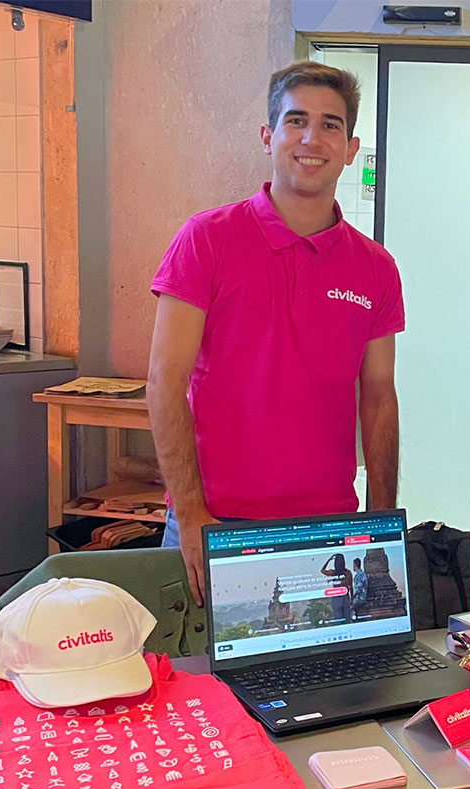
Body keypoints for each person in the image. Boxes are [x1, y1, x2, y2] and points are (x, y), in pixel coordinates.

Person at [148, 62, 404, 609]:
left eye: (331, 125)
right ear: (269, 136)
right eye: (297, 121)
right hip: (217, 524)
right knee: (202, 692)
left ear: (351, 147)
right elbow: (165, 381)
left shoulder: (376, 268)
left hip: (327, 530)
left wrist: (383, 516)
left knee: (323, 692)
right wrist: (191, 516)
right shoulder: (206, 240)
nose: (313, 138)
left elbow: (379, 396)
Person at [320, 553, 353, 622]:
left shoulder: (333, 573)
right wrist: (351, 598)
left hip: (336, 597)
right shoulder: (347, 573)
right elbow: (350, 586)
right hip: (345, 597)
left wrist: (329, 560)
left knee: (338, 620)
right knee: (347, 619)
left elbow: (322, 570)